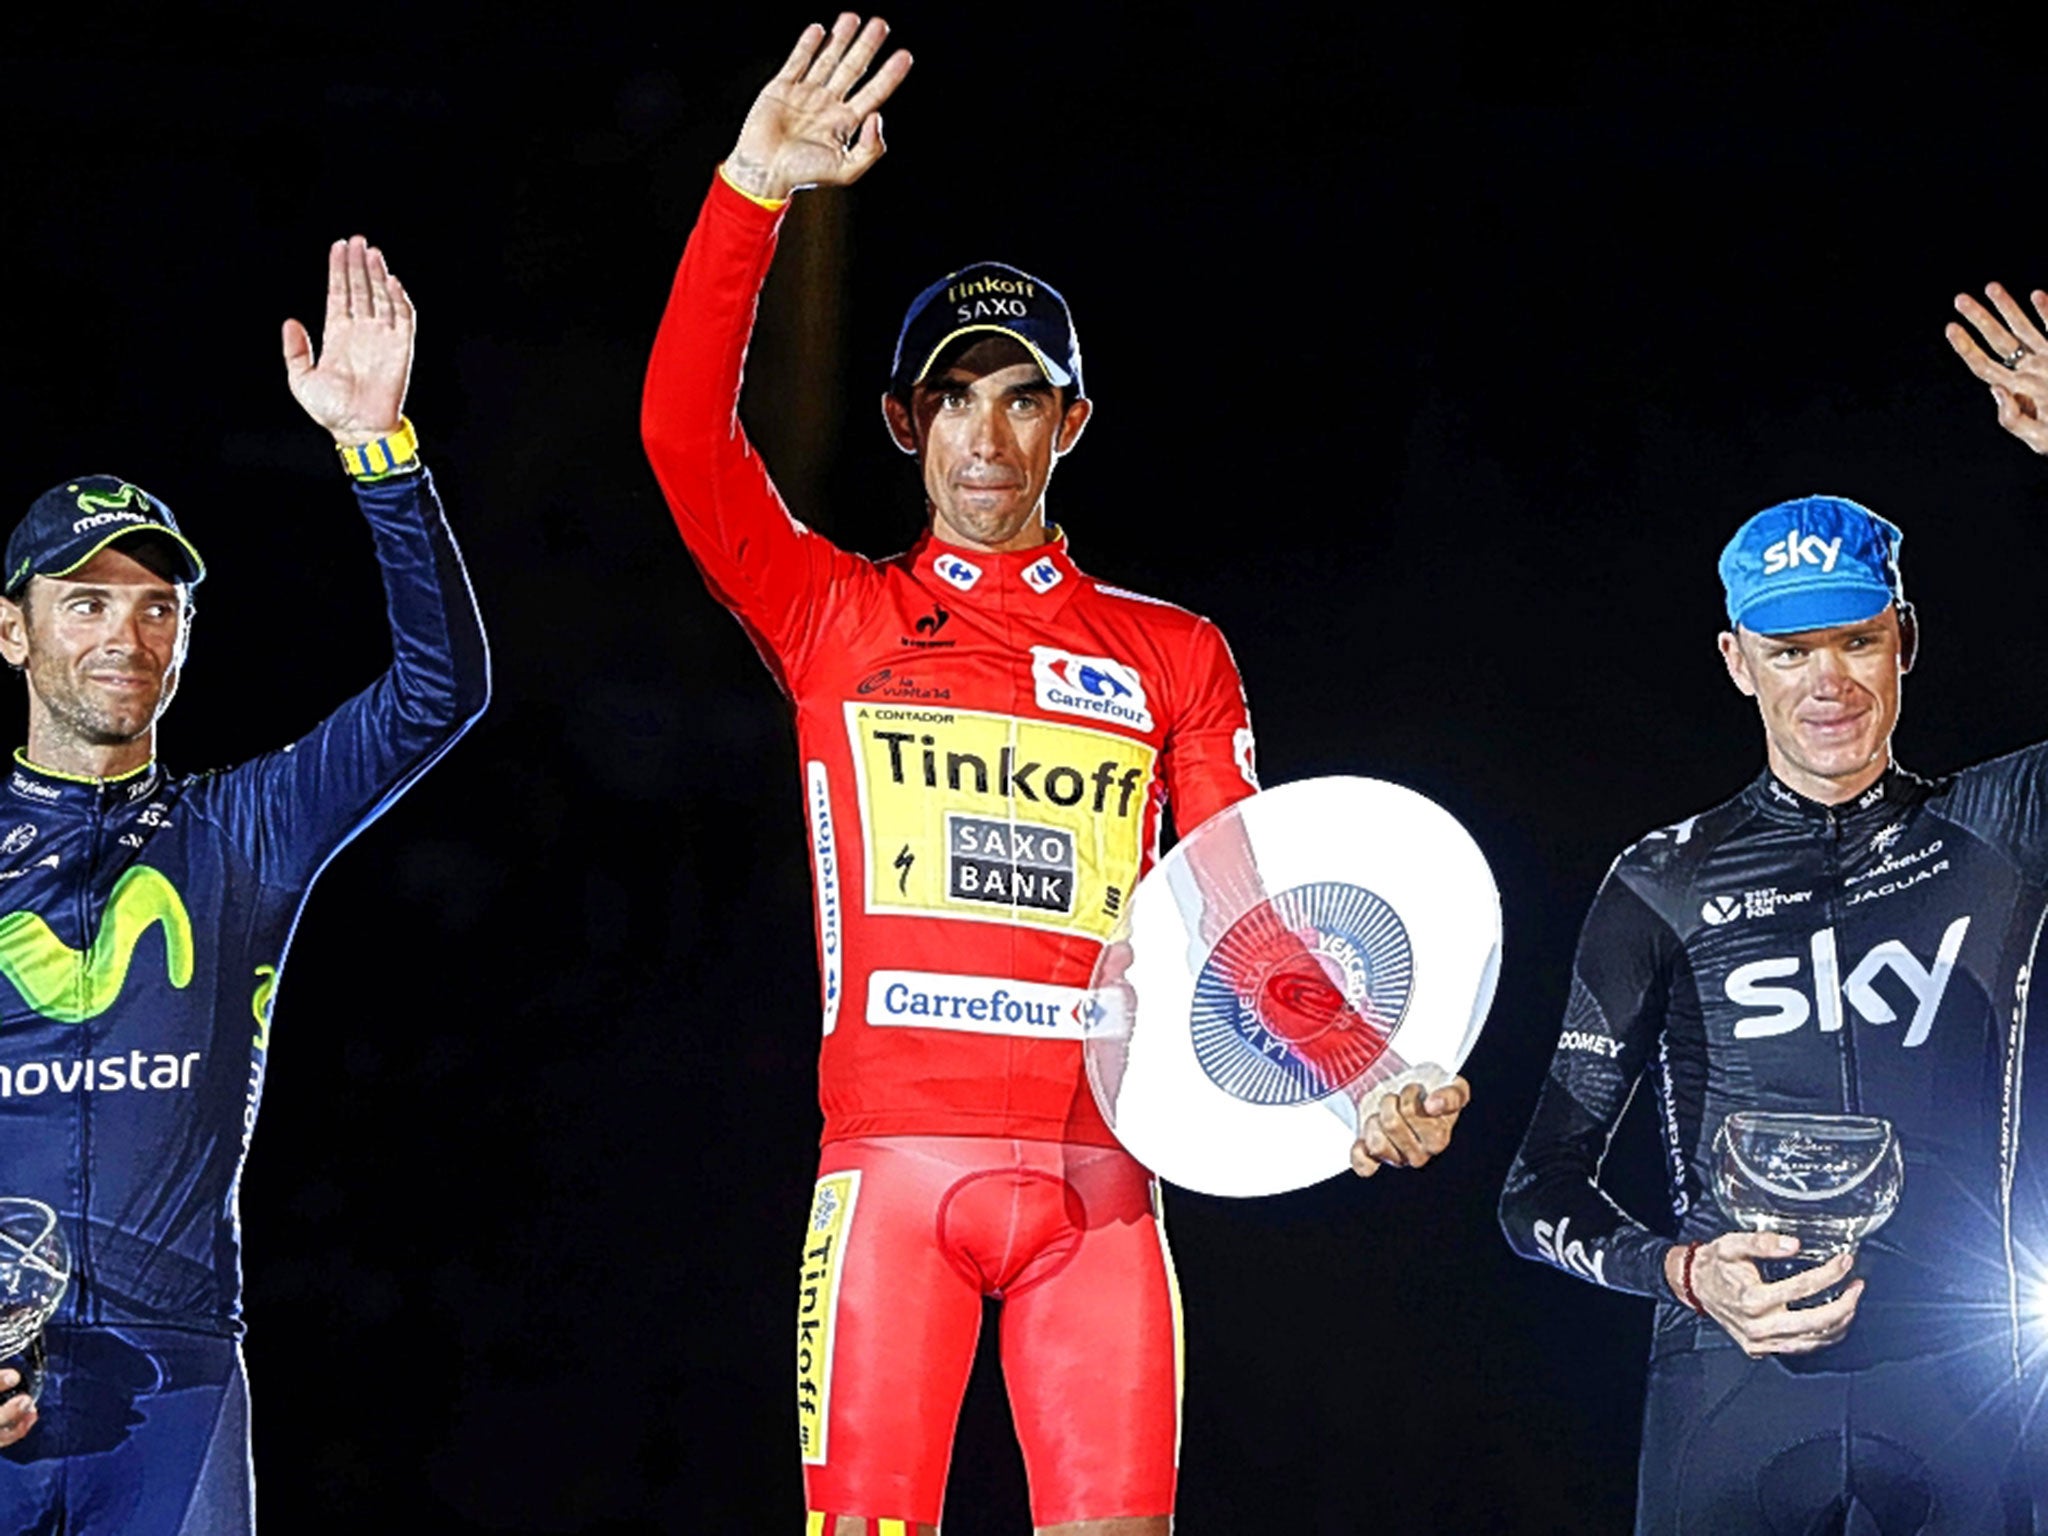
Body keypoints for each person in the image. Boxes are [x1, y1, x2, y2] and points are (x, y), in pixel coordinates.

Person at [640, 16, 1469, 1534]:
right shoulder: (836, 616)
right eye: (955, 396)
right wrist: (752, 188)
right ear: (906, 422)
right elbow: (682, 440)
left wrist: (1365, 1079)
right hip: (888, 1181)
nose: (986, 433)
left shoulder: (1171, 654)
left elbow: (1243, 914)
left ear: (1071, 423)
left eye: (1022, 397)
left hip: (1103, 1190)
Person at [1499, 282, 2048, 1533]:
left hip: (1973, 1374)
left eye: (1852, 642)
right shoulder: (1661, 879)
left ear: (1902, 640)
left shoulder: (1999, 824)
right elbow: (1536, 1193)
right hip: (1727, 1386)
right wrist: (1684, 1273)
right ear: (1735, 661)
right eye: (1790, 652)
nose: (1827, 685)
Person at [0, 236, 489, 1532]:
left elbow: (443, 693)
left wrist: (382, 455)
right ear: (13, 630)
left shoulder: (242, 829)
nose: (126, 633)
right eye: (87, 601)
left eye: (157, 606)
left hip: (180, 1402)